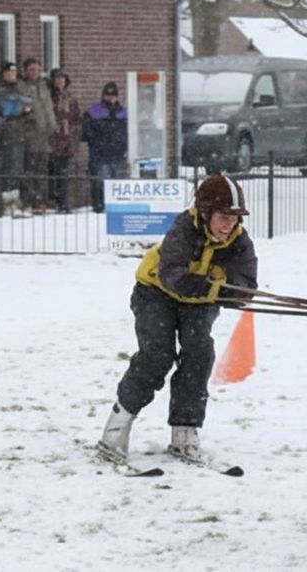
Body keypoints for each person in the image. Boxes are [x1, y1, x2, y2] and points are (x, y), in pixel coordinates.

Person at [98, 175, 259, 462]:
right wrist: (214, 289)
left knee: (199, 354)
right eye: (223, 217)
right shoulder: (185, 229)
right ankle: (115, 432)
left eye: (235, 218)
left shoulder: (239, 242)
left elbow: (247, 284)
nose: (229, 225)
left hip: (199, 302)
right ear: (206, 213)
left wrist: (235, 292)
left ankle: (184, 433)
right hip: (156, 293)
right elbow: (172, 275)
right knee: (157, 357)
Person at [0, 61, 32, 214]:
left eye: (14, 73)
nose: (13, 75)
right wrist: (20, 107)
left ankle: (16, 199)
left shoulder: (18, 88)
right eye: (10, 73)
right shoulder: (0, 89)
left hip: (19, 133)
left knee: (17, 168)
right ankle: (8, 203)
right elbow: (6, 109)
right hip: (6, 133)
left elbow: (27, 105)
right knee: (9, 168)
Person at [82, 82, 128, 213]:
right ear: (103, 95)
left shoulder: (123, 113)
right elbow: (86, 132)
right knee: (99, 181)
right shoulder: (94, 112)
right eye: (108, 94)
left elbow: (128, 133)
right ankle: (99, 206)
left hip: (117, 154)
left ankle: (113, 206)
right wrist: (97, 143)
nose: (110, 97)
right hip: (99, 154)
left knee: (115, 182)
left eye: (113, 95)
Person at [20, 58, 56, 212]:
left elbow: (48, 107)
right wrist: (30, 119)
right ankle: (29, 200)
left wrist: (52, 125)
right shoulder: (22, 87)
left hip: (45, 135)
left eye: (37, 69)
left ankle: (41, 200)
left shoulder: (44, 86)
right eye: (31, 69)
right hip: (31, 133)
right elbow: (21, 109)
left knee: (42, 169)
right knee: (30, 168)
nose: (34, 72)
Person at [48, 68, 80, 212]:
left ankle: (63, 202)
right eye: (57, 78)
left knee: (63, 174)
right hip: (52, 139)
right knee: (51, 173)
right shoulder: (49, 97)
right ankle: (52, 201)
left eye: (62, 78)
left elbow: (75, 120)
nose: (60, 81)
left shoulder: (70, 98)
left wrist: (72, 140)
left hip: (66, 141)